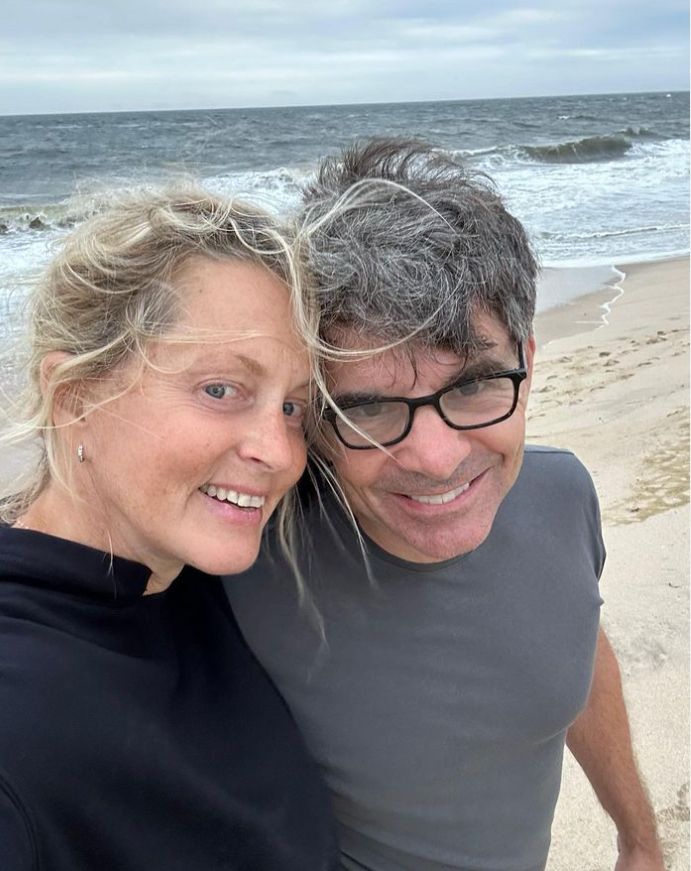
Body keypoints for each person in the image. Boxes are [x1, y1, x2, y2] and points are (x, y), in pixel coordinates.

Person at [226, 140, 664, 871]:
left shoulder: (561, 495)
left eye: (472, 386)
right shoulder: (247, 552)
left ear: (527, 359)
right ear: (312, 413)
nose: (433, 457)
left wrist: (638, 839)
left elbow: (577, 645)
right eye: (365, 408)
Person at [0, 188, 337, 869]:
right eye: (221, 389)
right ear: (76, 398)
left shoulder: (187, 574)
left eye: (294, 406)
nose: (277, 452)